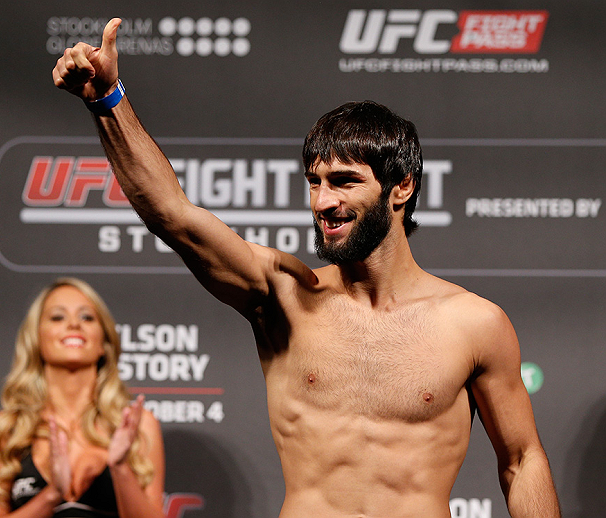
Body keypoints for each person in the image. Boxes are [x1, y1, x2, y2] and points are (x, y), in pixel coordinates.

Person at [52, 18, 561, 517]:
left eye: (344, 181)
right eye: (314, 182)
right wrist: (106, 99)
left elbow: (521, 461)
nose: (323, 201)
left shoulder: (474, 323)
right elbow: (172, 215)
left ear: (401, 187)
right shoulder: (283, 295)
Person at [0, 277, 165, 518]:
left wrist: (120, 470)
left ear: (103, 343)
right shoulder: (5, 429)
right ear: (36, 339)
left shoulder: (138, 426)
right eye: (58, 317)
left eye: (87, 317)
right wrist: (52, 494)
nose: (74, 324)